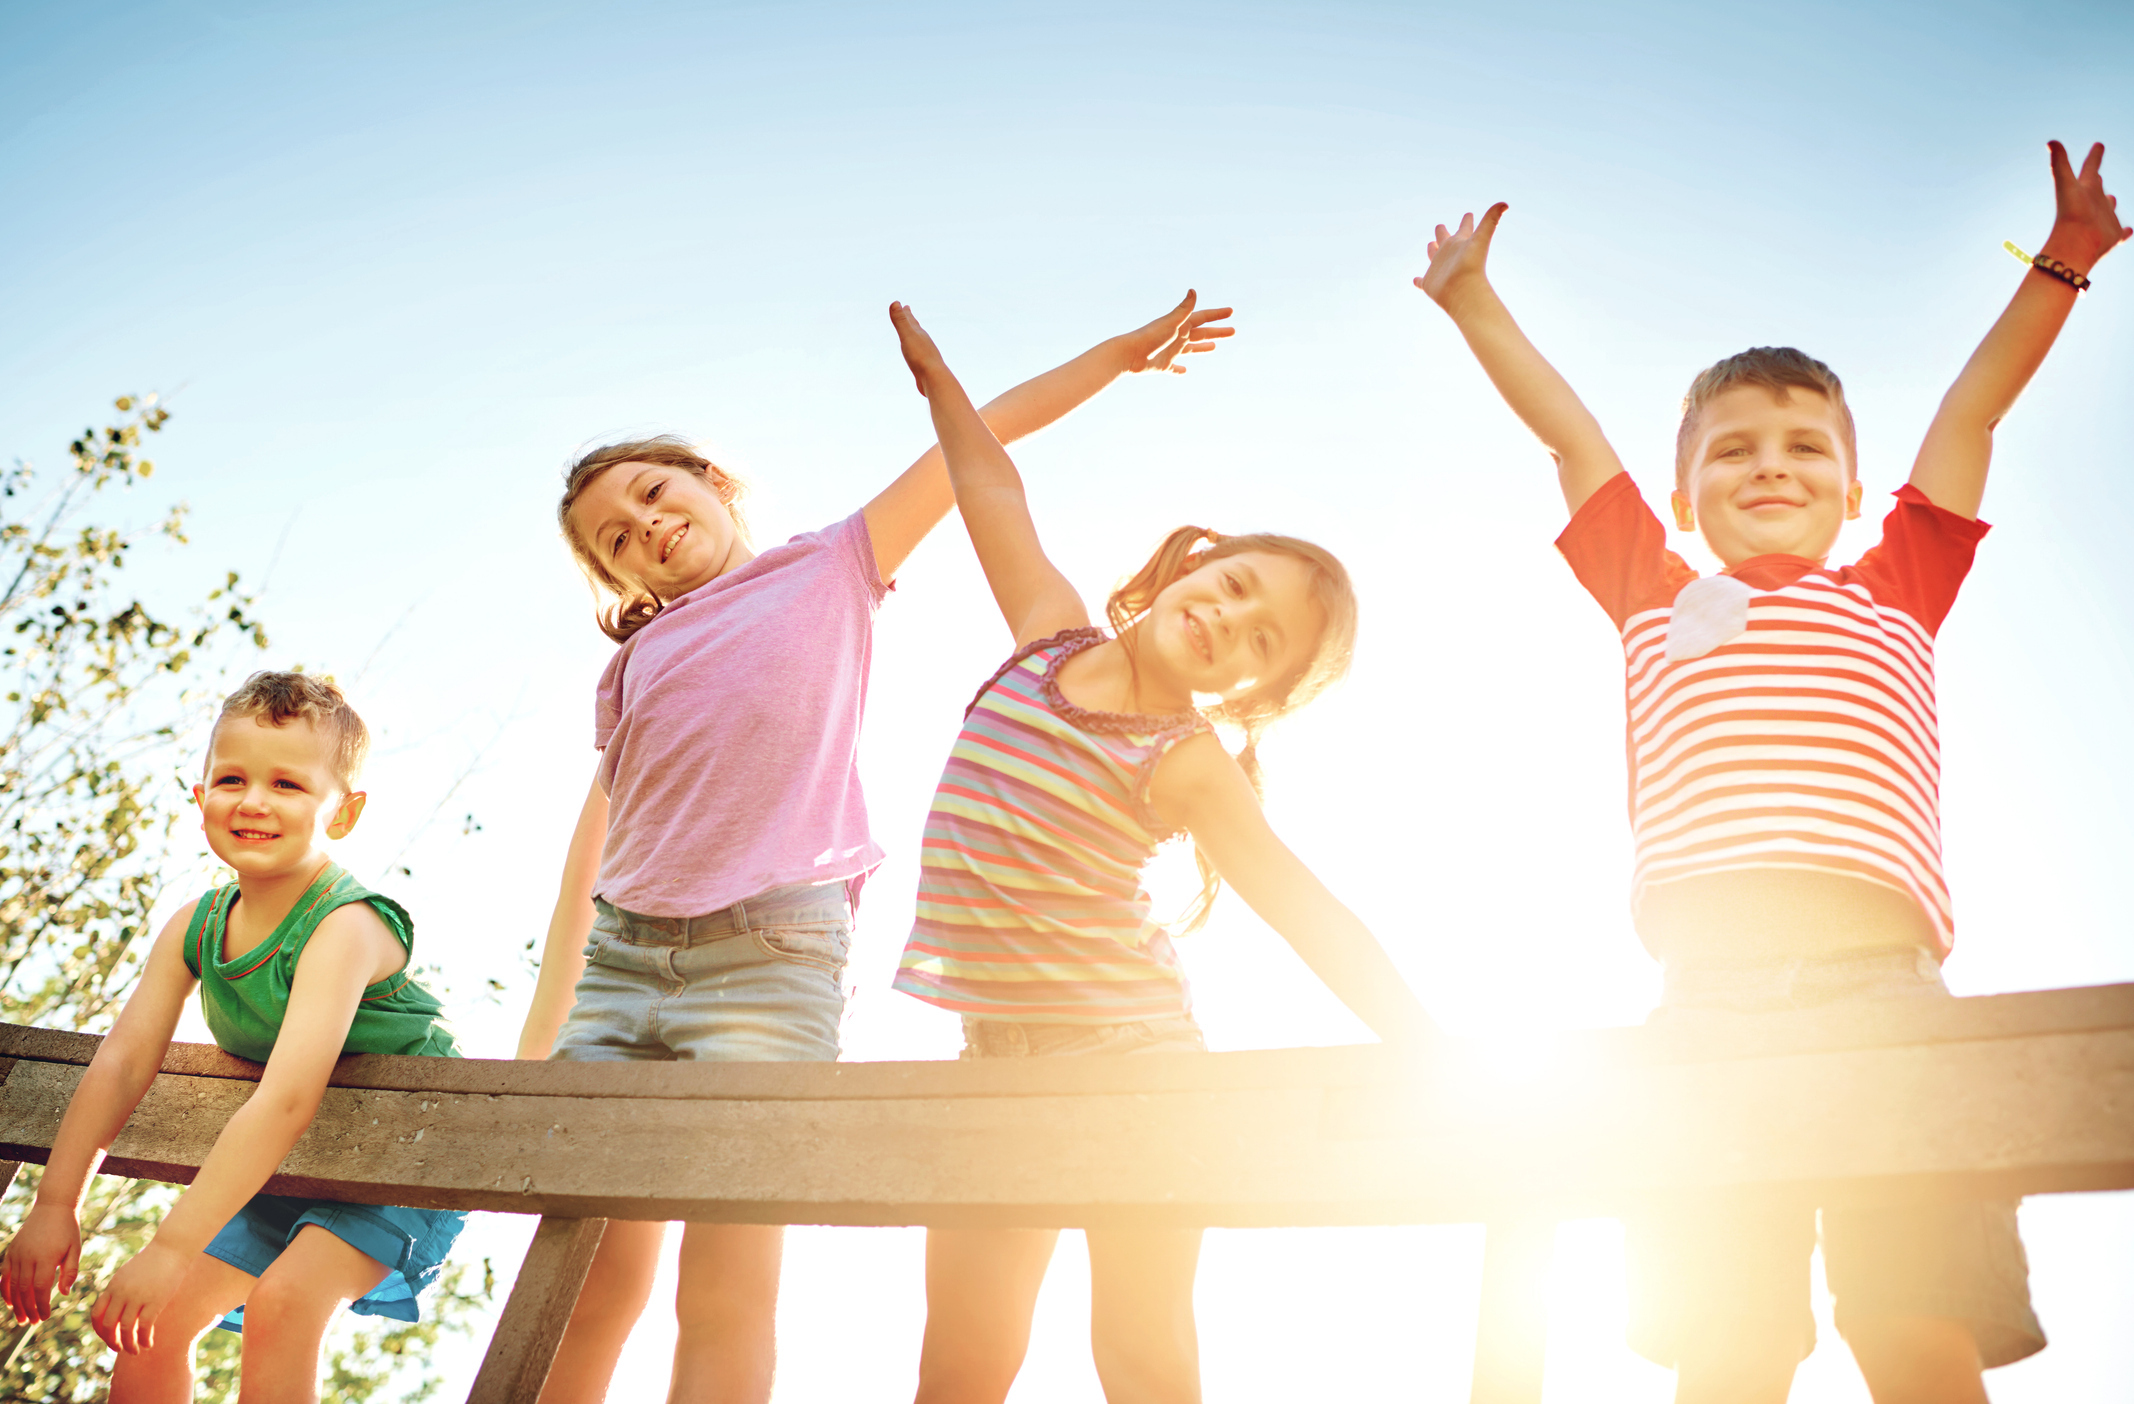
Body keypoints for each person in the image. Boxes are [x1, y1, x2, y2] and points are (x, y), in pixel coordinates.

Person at [1415, 141, 2128, 1404]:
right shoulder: (1654, 593)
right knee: (1730, 1342)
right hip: (1707, 999)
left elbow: (1968, 414)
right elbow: (1571, 439)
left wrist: (2063, 264)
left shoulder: (1896, 587)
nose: (1769, 468)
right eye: (1731, 452)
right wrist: (1474, 302)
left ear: (1852, 490)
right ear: (1684, 498)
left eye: (1803, 450)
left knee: (1912, 1328)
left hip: (1883, 988)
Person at [515, 293, 1238, 1404]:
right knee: (586, 1270)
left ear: (713, 483)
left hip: (766, 958)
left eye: (654, 493)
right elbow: (595, 854)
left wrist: (1117, 357)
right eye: (616, 540)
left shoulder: (830, 565)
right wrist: (544, 1028)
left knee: (726, 1275)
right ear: (624, 585)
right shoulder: (631, 668)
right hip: (621, 968)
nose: (646, 526)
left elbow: (977, 445)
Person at [885, 299, 1436, 1404]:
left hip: (1131, 1059)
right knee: (963, 1357)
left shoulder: (1185, 760)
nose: (1228, 618)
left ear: (1255, 693)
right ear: (1191, 565)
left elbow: (1303, 906)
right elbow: (991, 489)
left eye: (1260, 639)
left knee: (1137, 1348)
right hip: (992, 1063)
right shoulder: (1048, 637)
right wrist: (950, 380)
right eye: (1231, 586)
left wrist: (1425, 1046)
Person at [0, 672, 466, 1404]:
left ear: (342, 813)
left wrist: (171, 1244)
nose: (252, 801)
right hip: (291, 1164)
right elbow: (121, 1064)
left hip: (401, 1157)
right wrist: (55, 1205)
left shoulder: (346, 927)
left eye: (286, 784)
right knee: (153, 1316)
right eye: (231, 778)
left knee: (284, 1303)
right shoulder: (196, 925)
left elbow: (284, 1101)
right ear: (200, 797)